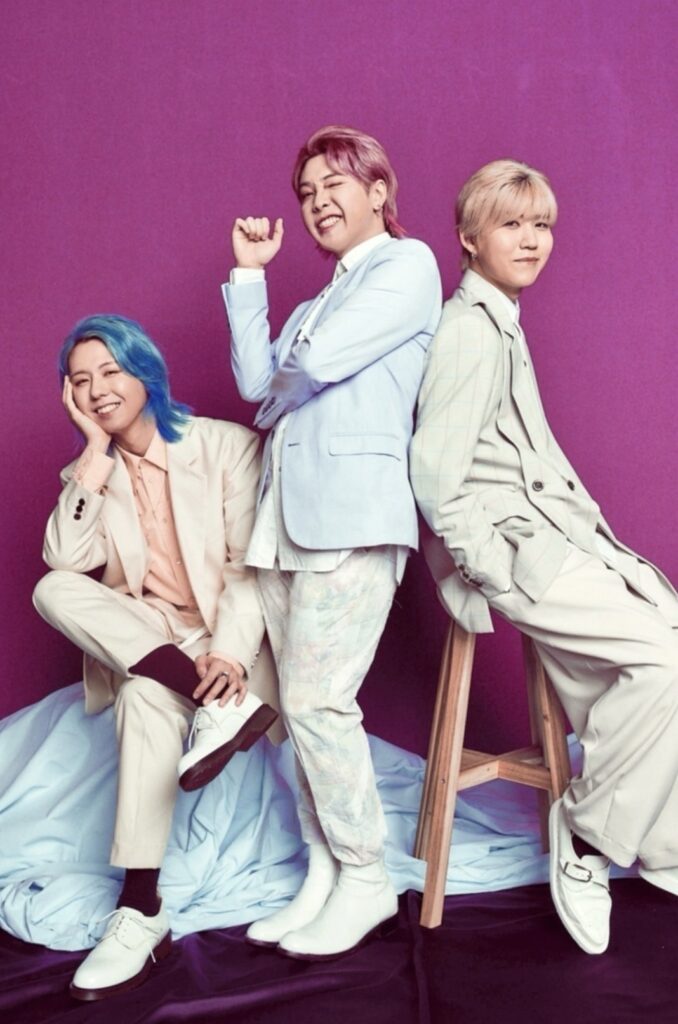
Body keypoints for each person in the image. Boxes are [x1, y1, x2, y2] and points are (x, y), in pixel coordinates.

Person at [410, 159, 678, 955]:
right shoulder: (469, 331)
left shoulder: (501, 319)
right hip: (521, 554)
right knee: (666, 660)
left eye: (541, 225)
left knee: (663, 646)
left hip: (556, 539)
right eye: (510, 224)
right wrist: (494, 568)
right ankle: (588, 836)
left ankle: (657, 838)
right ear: (469, 238)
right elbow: (436, 477)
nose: (531, 240)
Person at [222, 125, 442, 960]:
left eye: (334, 185)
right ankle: (323, 868)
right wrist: (251, 275)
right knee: (300, 712)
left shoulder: (408, 265)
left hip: (353, 516)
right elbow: (256, 384)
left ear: (379, 191)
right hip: (286, 520)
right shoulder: (318, 300)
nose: (317, 203)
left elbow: (313, 366)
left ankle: (365, 875)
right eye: (307, 192)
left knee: (320, 705)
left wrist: (295, 374)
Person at [33, 314, 278, 999]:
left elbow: (250, 573)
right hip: (154, 643)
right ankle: (142, 910)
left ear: (146, 371)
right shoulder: (90, 473)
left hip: (226, 639)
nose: (97, 390)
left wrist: (230, 657)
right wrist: (93, 451)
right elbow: (63, 558)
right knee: (54, 589)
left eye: (110, 371)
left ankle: (139, 906)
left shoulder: (227, 447)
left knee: (143, 693)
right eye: (80, 380)